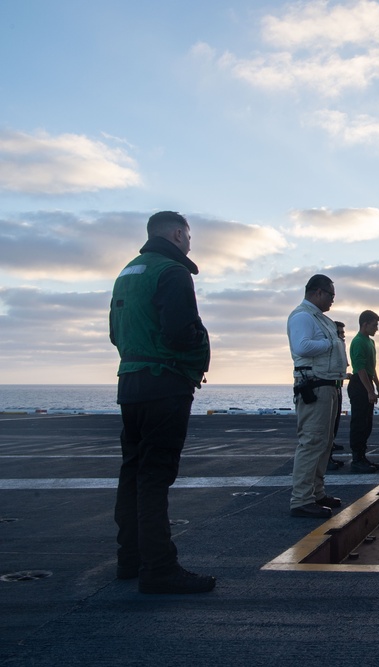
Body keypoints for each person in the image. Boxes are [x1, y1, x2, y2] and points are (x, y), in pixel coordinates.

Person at [109, 210, 215, 594]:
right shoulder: (172, 272)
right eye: (188, 236)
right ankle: (160, 569)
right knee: (155, 478)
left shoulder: (128, 272)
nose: (190, 243)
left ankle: (130, 559)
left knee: (133, 474)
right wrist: (200, 341)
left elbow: (113, 333)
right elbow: (179, 332)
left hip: (130, 382)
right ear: (176, 234)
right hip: (164, 384)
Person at [287, 275, 346, 518]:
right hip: (315, 386)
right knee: (312, 442)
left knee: (324, 442)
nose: (333, 300)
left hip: (327, 385)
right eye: (331, 295)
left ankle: (317, 493)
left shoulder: (319, 319)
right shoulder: (303, 316)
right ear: (318, 293)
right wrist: (329, 344)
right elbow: (302, 347)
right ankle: (301, 499)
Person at [348, 310, 379, 473]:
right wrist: (370, 391)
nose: (377, 328)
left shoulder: (370, 342)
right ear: (365, 324)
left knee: (367, 424)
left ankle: (362, 457)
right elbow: (360, 369)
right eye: (375, 325)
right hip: (359, 384)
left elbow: (371, 368)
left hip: (367, 382)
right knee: (359, 423)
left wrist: (377, 386)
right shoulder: (358, 342)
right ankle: (357, 460)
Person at [326, 320, 350, 472]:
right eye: (340, 333)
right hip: (331, 387)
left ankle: (329, 455)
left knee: (334, 424)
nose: (342, 336)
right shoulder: (332, 347)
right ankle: (326, 459)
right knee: (328, 427)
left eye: (343, 333)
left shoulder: (340, 347)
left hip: (337, 387)